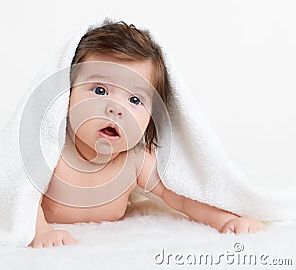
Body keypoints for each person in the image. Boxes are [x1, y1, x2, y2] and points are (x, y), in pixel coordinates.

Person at [29, 20, 264, 248]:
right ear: (66, 94)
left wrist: (224, 220)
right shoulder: (52, 150)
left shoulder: (136, 160)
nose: (116, 108)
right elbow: (22, 196)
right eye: (100, 90)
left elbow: (180, 198)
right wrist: (41, 231)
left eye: (134, 99)